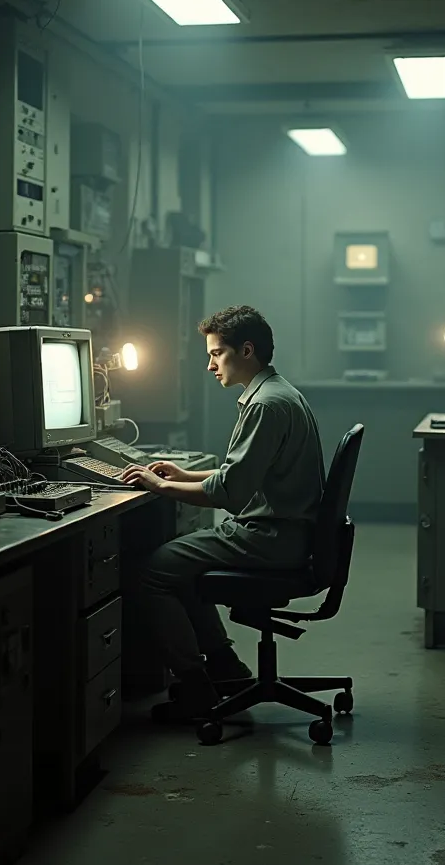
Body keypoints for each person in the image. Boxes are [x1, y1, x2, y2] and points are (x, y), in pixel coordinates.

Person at [120, 305, 325, 721]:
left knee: (155, 572)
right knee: (183, 567)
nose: (209, 364)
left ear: (246, 350)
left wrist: (160, 485)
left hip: (269, 538)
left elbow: (230, 492)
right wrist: (184, 473)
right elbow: (247, 474)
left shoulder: (265, 406)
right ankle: (226, 668)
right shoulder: (279, 392)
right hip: (286, 533)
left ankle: (196, 687)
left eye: (216, 353)